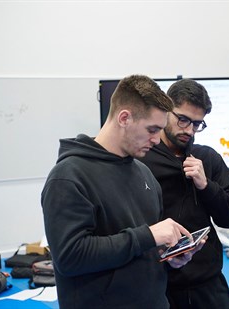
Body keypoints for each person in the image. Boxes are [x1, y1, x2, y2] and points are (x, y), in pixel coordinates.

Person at [41, 75, 204, 309]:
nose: (157, 140)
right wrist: (147, 236)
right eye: (152, 129)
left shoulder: (143, 173)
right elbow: (70, 257)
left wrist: (168, 256)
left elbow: (141, 249)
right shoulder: (68, 176)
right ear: (124, 118)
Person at [139, 78, 229, 309]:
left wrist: (206, 185)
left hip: (208, 284)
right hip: (159, 284)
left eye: (197, 124)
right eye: (183, 119)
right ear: (166, 110)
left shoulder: (207, 157)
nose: (189, 129)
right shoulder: (142, 159)